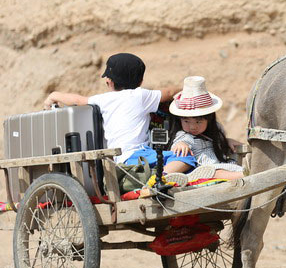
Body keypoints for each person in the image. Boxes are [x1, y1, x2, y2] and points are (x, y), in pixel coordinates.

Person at [44, 53, 197, 185]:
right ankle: (160, 178)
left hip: (121, 160)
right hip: (138, 156)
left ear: (109, 82)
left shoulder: (103, 99)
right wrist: (190, 89)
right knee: (186, 157)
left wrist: (54, 95)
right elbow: (170, 92)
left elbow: (78, 100)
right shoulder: (141, 96)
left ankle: (156, 179)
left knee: (168, 159)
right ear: (140, 82)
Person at [168, 76, 243, 180]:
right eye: (186, 121)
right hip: (203, 169)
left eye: (199, 121)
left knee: (232, 165)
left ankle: (243, 172)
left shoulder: (216, 129)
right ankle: (243, 176)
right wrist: (181, 144)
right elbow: (179, 143)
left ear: (209, 119)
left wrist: (226, 141)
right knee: (216, 173)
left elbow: (219, 143)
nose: (193, 126)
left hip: (219, 163)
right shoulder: (184, 135)